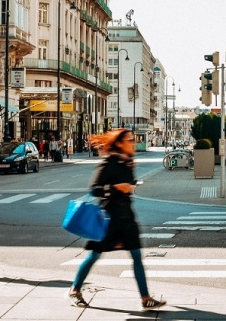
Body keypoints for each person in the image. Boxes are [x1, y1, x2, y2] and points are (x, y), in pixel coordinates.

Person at [68, 128, 166, 310]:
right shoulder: (109, 162)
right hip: (109, 218)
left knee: (137, 255)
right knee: (94, 255)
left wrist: (130, 185)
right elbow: (94, 189)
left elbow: (130, 184)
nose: (133, 143)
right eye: (130, 140)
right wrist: (116, 188)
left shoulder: (128, 163)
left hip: (127, 218)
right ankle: (75, 289)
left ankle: (145, 298)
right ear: (120, 143)